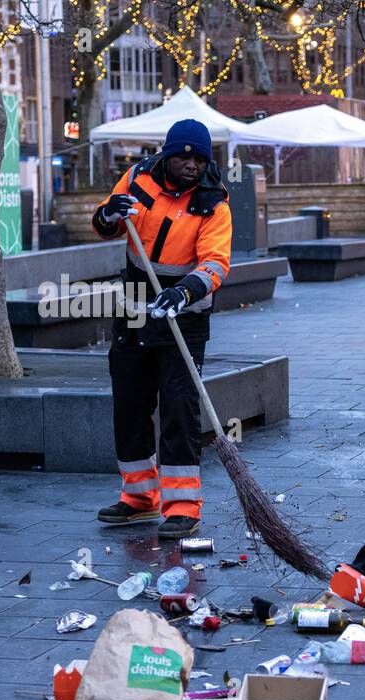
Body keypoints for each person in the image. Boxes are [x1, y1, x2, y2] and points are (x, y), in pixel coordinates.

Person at [91, 118, 232, 539]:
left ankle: (183, 506)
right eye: (183, 156)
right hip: (134, 311)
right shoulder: (137, 179)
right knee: (130, 404)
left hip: (183, 318)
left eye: (198, 158)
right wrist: (107, 213)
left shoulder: (213, 202)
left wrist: (185, 291)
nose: (190, 164)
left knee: (178, 410)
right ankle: (139, 498)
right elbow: (106, 224)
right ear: (167, 155)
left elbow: (216, 263)